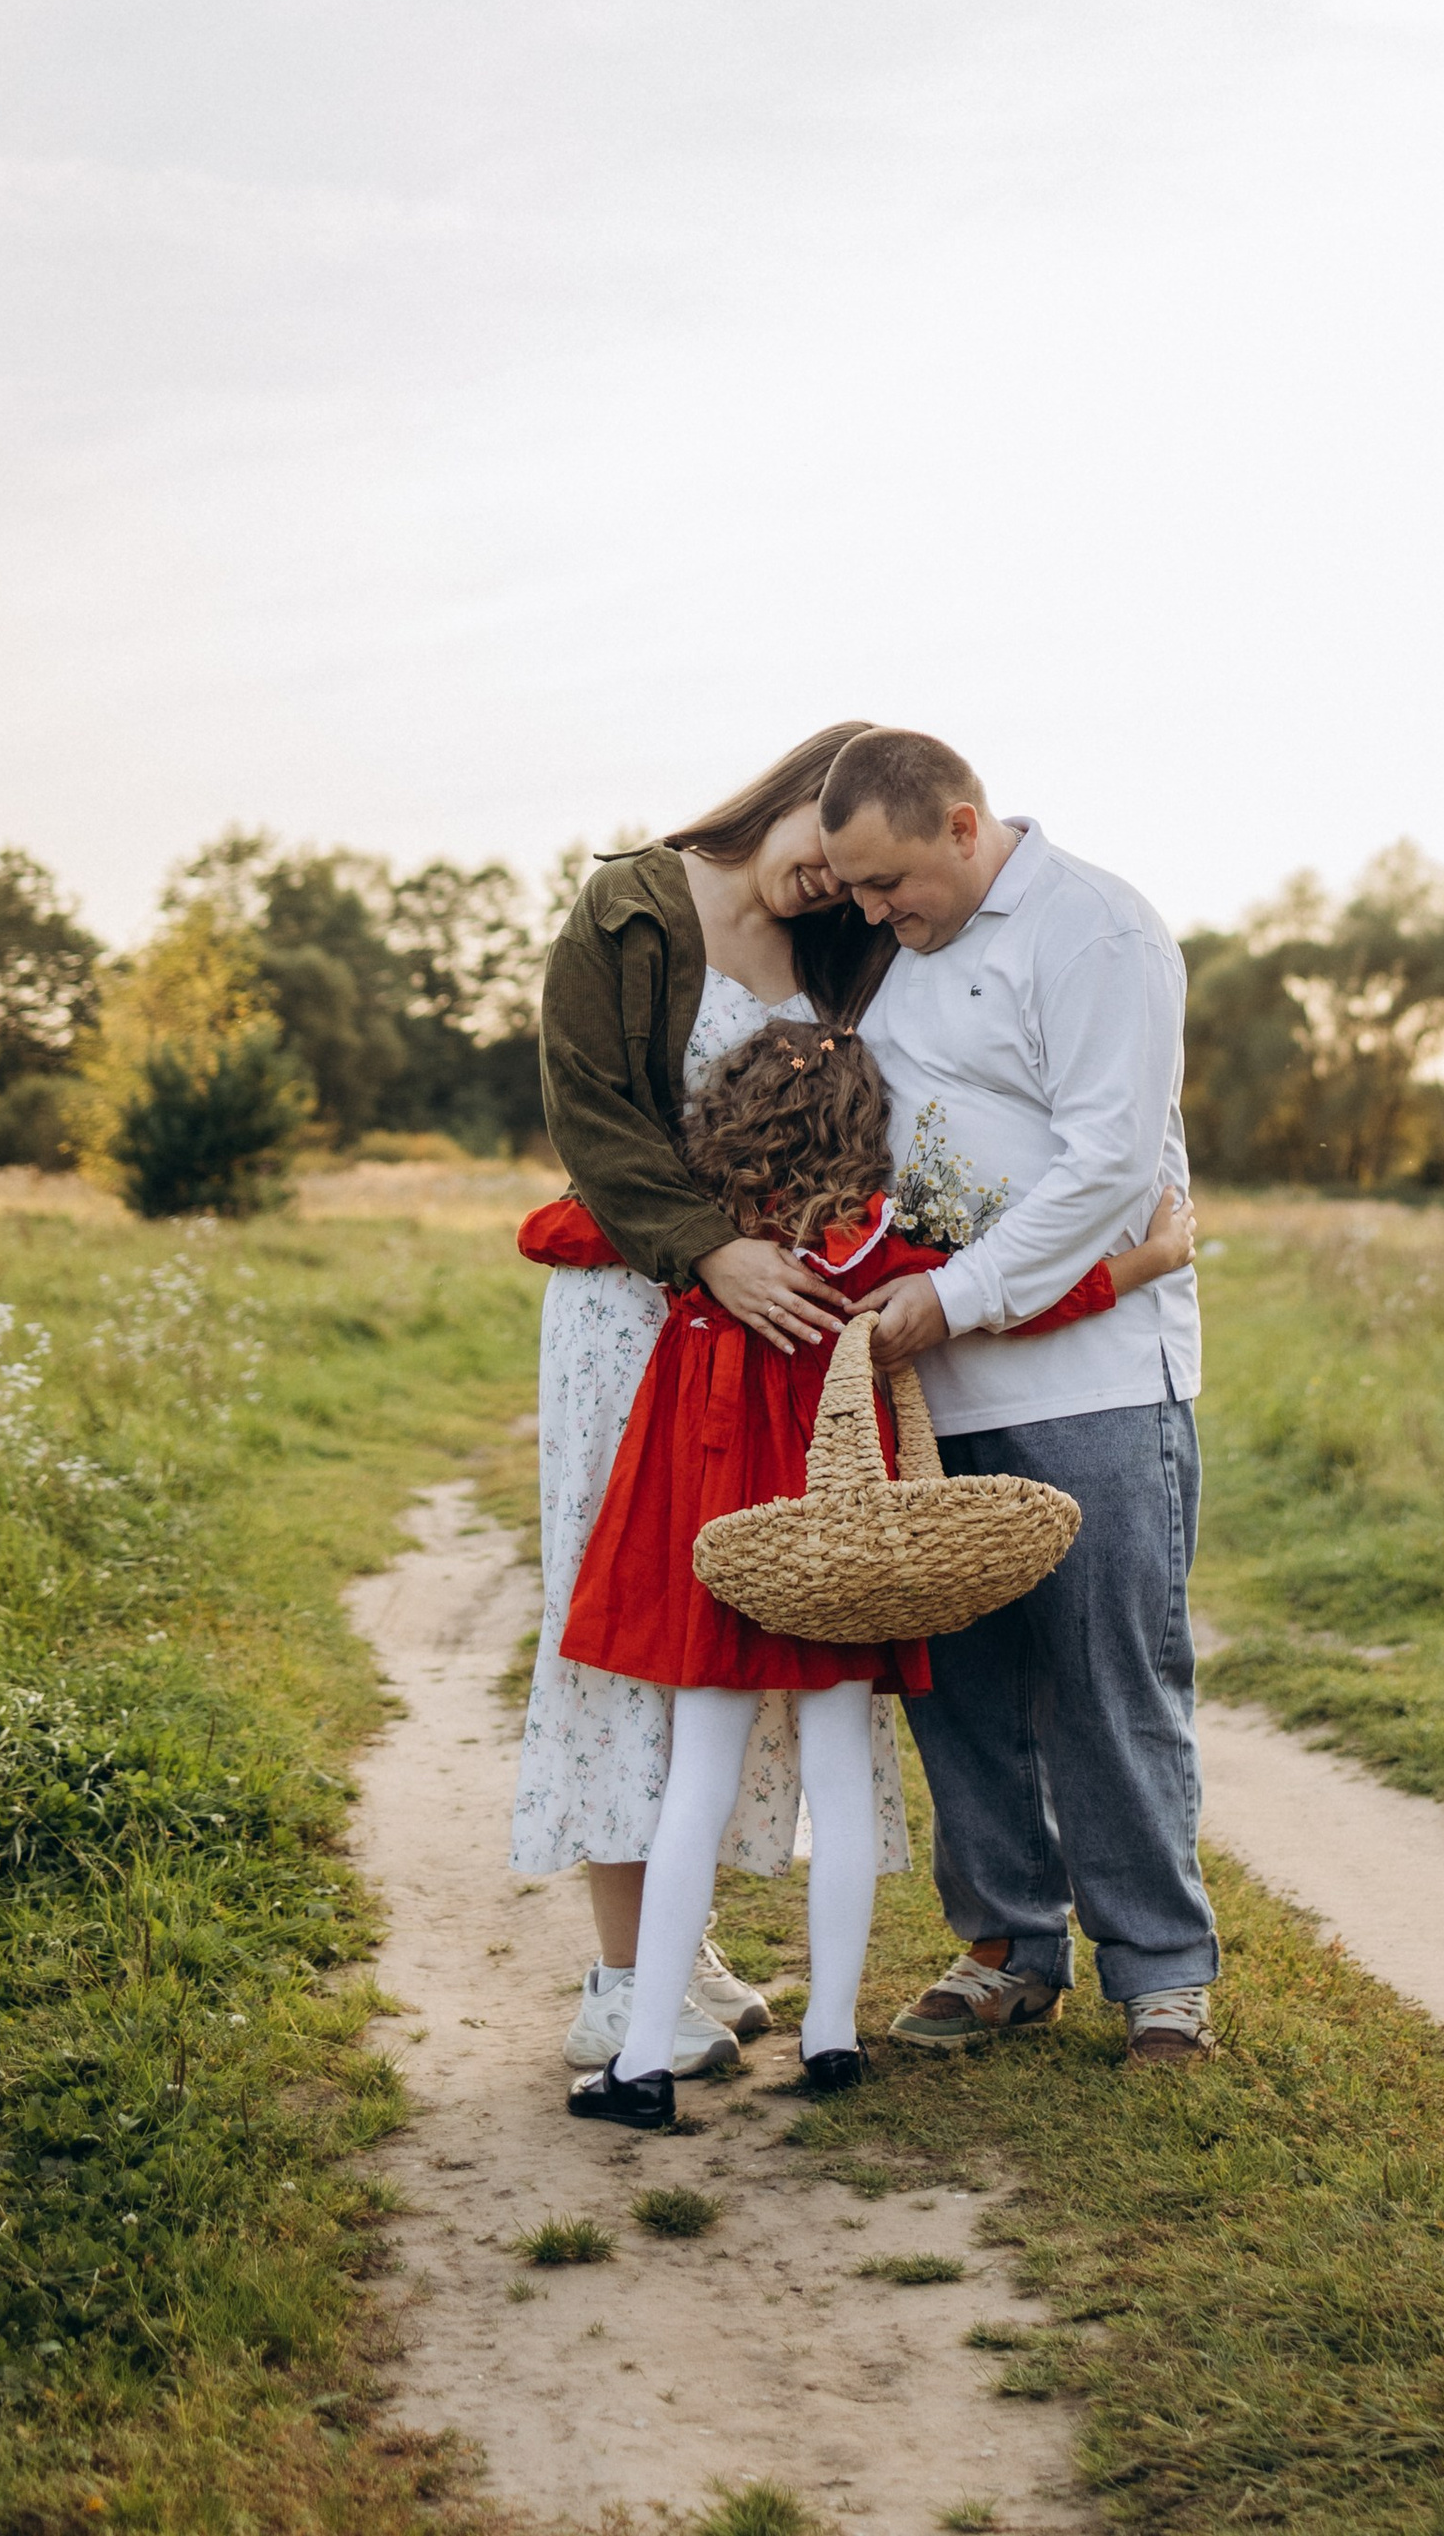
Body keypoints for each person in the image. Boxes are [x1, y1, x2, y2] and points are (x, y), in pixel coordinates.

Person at [556, 1016, 1187, 2128]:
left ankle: (643, 2061)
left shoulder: (708, 1247)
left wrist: (687, 1222)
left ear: (726, 1117)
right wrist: (1148, 1259)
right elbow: (1022, 1294)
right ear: (864, 1129)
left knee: (693, 1786)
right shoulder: (874, 1249)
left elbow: (554, 1227)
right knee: (841, 1773)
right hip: (837, 1535)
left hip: (722, 1530)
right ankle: (832, 2039)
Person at [508, 721, 905, 2085]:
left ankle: (680, 1945)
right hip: (639, 1313)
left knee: (737, 1618)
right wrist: (715, 1252)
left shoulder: (840, 950)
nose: (837, 888)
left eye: (862, 879)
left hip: (766, 1340)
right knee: (637, 1615)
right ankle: (621, 1983)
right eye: (827, 850)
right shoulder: (632, 903)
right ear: (799, 789)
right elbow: (597, 1120)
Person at [820, 726, 1219, 2068]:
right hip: (940, 1389)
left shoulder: (1095, 930)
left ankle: (1160, 1972)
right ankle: (1004, 1946)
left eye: (886, 884)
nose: (872, 914)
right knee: (962, 1683)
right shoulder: (908, 959)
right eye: (856, 894)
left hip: (1095, 1378)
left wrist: (952, 1294)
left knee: (1109, 1677)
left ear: (960, 823)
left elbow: (1111, 1161)